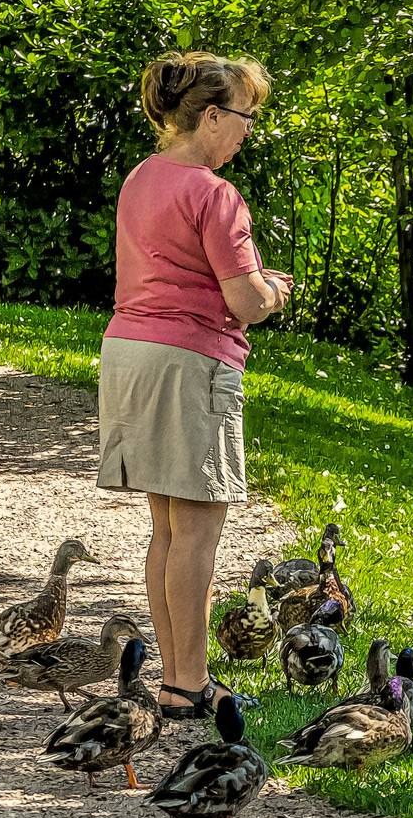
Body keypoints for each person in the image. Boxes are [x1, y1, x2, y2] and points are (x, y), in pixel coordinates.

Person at [97, 51, 292, 721]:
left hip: (129, 353)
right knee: (200, 532)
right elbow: (243, 301)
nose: (247, 130)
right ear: (210, 116)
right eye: (243, 116)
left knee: (166, 529)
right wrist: (275, 294)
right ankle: (188, 682)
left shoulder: (141, 179)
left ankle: (178, 677)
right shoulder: (215, 195)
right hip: (190, 362)